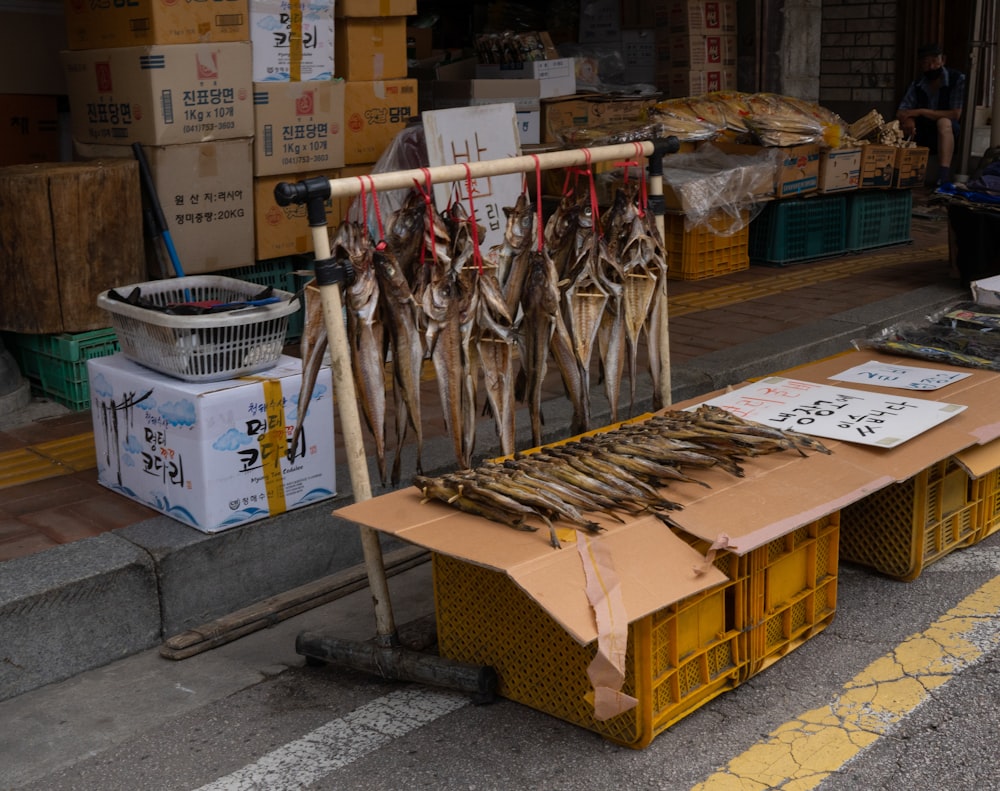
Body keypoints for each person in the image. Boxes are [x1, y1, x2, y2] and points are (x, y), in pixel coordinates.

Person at [896, 42, 966, 184]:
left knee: (944, 122)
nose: (931, 67)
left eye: (935, 61)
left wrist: (921, 111)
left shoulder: (957, 79)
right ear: (921, 65)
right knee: (900, 125)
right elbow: (902, 111)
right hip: (924, 131)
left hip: (950, 133)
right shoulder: (918, 84)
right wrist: (909, 119)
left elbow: (955, 114)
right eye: (926, 63)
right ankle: (904, 175)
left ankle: (944, 177)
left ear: (943, 60)